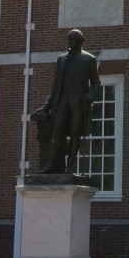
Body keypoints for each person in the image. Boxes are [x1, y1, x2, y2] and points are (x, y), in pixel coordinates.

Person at [33, 29, 100, 175]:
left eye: (72, 39)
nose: (69, 42)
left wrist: (90, 96)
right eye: (68, 39)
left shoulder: (89, 59)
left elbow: (96, 83)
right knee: (56, 132)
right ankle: (51, 165)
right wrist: (46, 105)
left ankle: (69, 167)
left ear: (80, 41)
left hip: (78, 101)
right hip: (62, 101)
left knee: (75, 134)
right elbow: (56, 85)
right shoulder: (62, 59)